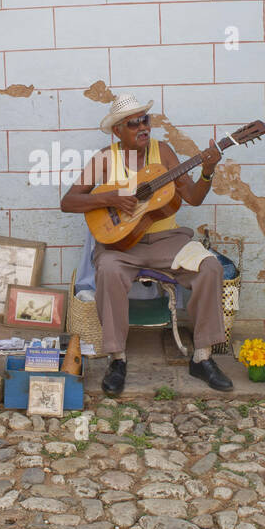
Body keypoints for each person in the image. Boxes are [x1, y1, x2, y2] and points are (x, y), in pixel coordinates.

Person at [61, 93, 232, 395]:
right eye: (133, 123)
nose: (143, 127)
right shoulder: (104, 158)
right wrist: (110, 198)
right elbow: (69, 202)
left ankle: (202, 357)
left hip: (167, 240)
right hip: (121, 245)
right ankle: (118, 358)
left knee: (209, 268)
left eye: (146, 120)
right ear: (118, 130)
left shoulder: (163, 152)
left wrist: (207, 171)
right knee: (108, 271)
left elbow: (192, 197)